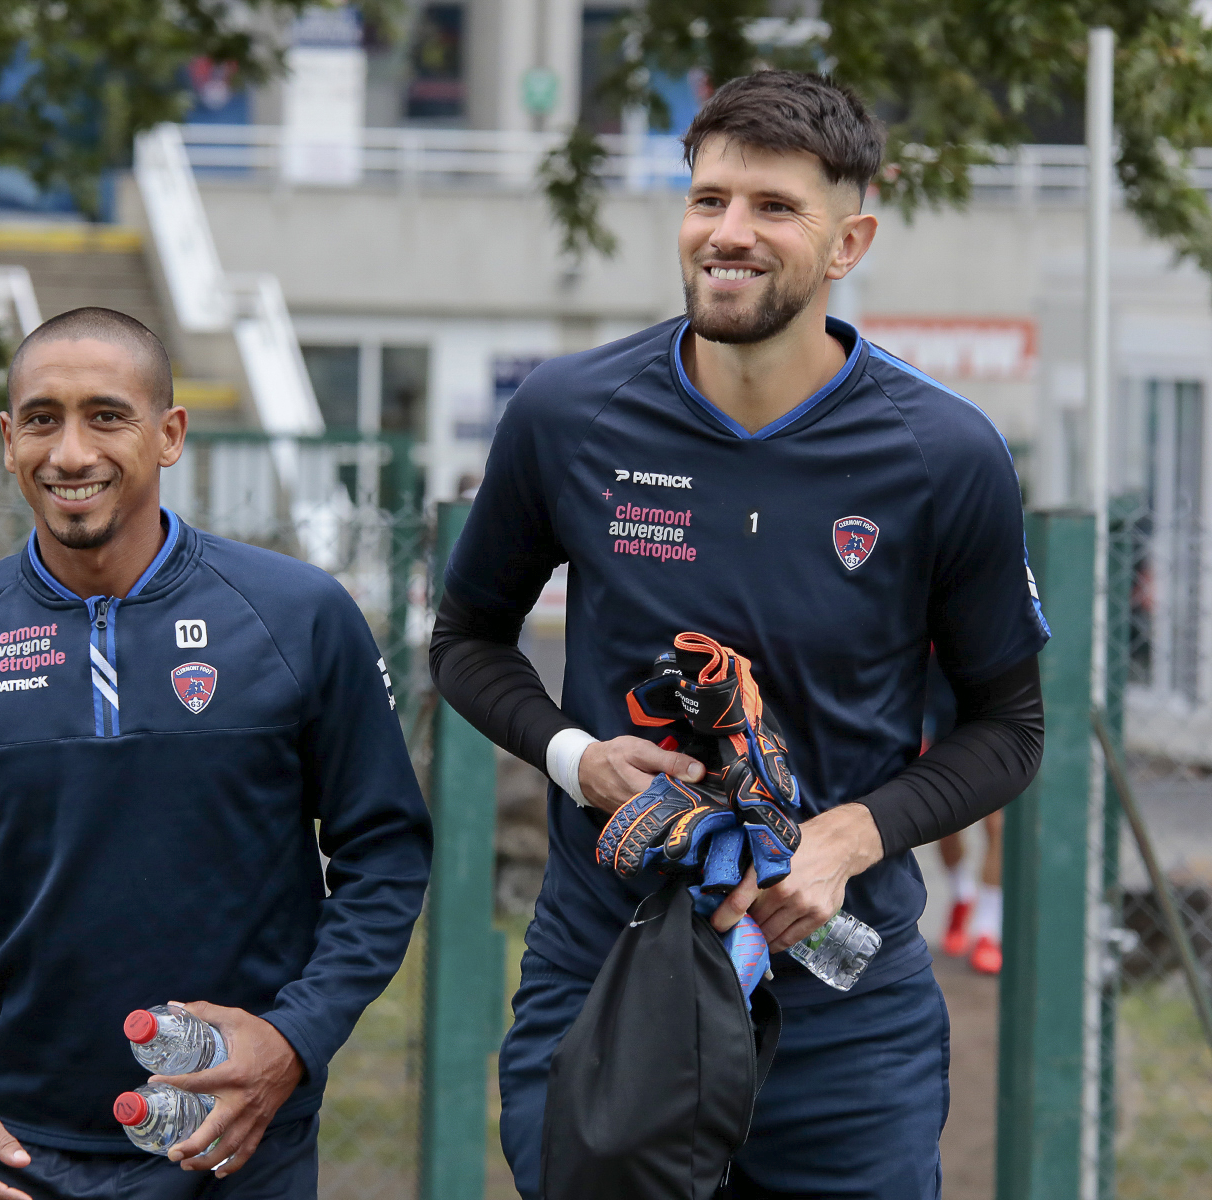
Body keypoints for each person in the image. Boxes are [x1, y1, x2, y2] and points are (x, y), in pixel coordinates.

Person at [430, 71, 1047, 1199]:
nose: (728, 232)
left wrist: (851, 836)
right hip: (608, 965)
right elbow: (465, 640)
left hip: (841, 1000)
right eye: (707, 198)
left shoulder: (943, 453)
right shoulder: (570, 415)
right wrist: (579, 761)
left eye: (774, 207)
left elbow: (1007, 729)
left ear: (849, 238)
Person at [0, 307, 432, 1200]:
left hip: (243, 1140)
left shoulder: (296, 616)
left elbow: (384, 852)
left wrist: (295, 1038)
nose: (70, 453)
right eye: (42, 419)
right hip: (27, 1155)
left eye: (106, 415)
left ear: (169, 433)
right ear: (7, 440)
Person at [924, 651, 1005, 974]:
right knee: (947, 820)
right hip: (945, 717)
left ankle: (988, 929)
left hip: (997, 719)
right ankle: (962, 894)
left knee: (996, 823)